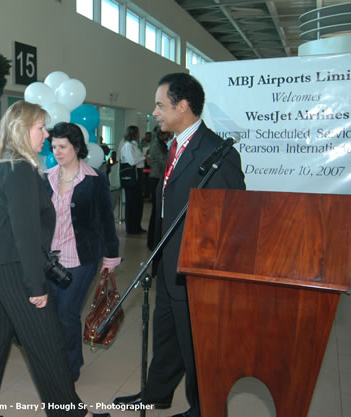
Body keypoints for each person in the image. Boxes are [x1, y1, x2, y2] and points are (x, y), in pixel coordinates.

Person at [0, 101, 109, 417]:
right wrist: (36, 285)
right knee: (48, 346)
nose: (45, 134)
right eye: (40, 127)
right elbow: (25, 235)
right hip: (16, 270)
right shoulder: (21, 172)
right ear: (21, 129)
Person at [113, 73, 245, 417]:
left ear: (182, 106)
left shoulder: (216, 152)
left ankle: (204, 408)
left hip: (195, 269)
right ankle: (156, 393)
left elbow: (233, 215)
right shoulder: (174, 146)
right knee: (167, 336)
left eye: (160, 105)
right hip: (168, 264)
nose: (155, 112)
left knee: (195, 345)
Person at [45, 122, 120, 381]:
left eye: (63, 146)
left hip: (81, 258)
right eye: (53, 146)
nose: (57, 151)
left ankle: (69, 369)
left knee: (67, 311)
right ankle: (63, 358)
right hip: (50, 259)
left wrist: (111, 257)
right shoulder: (47, 177)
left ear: (76, 147)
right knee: (53, 313)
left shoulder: (95, 179)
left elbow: (106, 220)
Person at [146, 129, 171, 251]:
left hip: (158, 178)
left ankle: (154, 240)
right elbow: (162, 161)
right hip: (155, 178)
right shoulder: (156, 145)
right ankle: (152, 241)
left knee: (157, 210)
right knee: (156, 211)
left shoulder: (161, 144)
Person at [119, 125, 146, 235]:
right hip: (132, 177)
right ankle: (131, 228)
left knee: (138, 203)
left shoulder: (134, 145)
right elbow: (132, 161)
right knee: (131, 203)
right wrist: (144, 157)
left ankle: (137, 226)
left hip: (138, 176)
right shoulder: (127, 146)